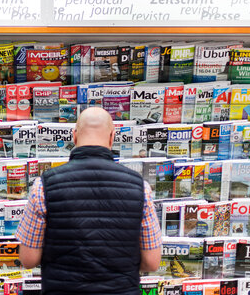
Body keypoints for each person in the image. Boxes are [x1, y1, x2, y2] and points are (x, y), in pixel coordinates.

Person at [15, 107, 162, 295]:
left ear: (74, 136)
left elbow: (28, 259)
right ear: (112, 137)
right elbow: (152, 262)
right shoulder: (140, 187)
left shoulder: (44, 185)